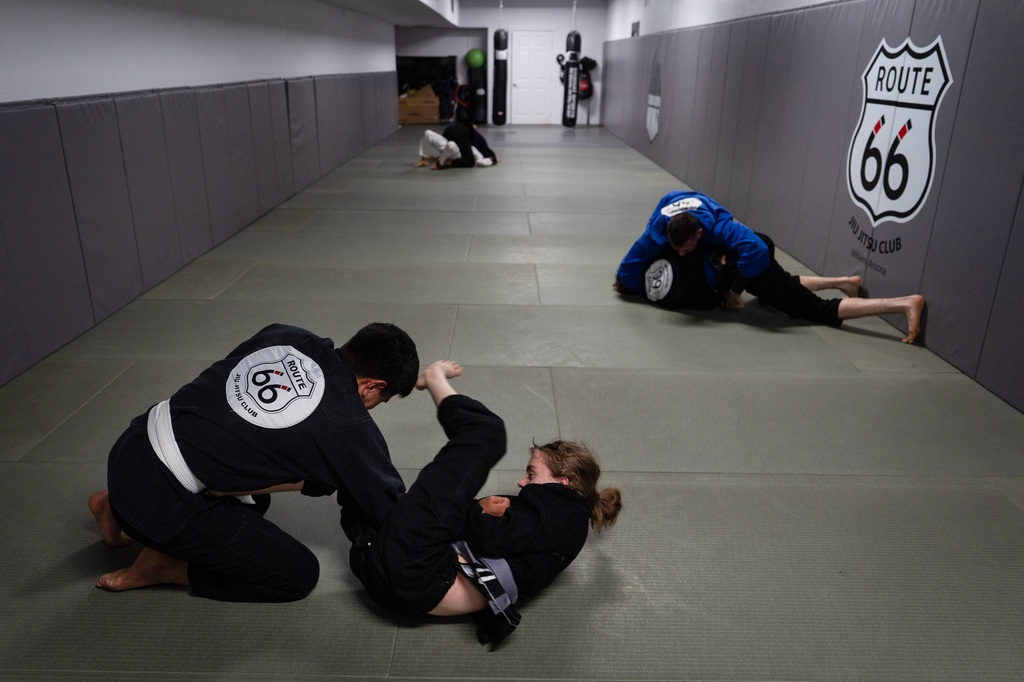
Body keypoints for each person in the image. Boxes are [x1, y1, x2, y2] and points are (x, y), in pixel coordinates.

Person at [87, 322, 419, 602]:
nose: (374, 408)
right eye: (381, 401)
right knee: (299, 574)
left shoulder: (287, 335)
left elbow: (226, 393)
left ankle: (112, 509)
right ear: (372, 386)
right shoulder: (348, 426)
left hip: (132, 446)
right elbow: (386, 506)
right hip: (159, 502)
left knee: (258, 496)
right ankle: (163, 566)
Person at [350, 360, 622, 645]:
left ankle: (436, 381)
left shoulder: (564, 512)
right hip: (398, 577)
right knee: (374, 484)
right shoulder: (558, 518)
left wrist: (475, 510)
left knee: (481, 438)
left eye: (531, 474)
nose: (521, 483)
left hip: (417, 578)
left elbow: (492, 538)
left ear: (563, 481)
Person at [626, 234, 926, 344]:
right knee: (778, 289)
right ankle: (846, 282)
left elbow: (710, 303)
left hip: (745, 265)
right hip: (748, 248)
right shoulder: (658, 253)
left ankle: (902, 304)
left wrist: (729, 294)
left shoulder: (659, 293)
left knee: (812, 308)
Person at [616, 190, 770, 296]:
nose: (681, 254)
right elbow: (626, 273)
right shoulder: (656, 231)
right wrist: (648, 292)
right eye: (677, 249)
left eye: (686, 248)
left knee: (764, 244)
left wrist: (735, 291)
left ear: (699, 234)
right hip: (671, 198)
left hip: (705, 207)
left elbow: (758, 249)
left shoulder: (719, 227)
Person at [414, 122, 499, 170]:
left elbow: (474, 161)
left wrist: (491, 160)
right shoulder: (467, 136)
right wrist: (492, 159)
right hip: (450, 146)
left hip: (454, 152)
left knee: (451, 145)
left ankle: (440, 162)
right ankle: (424, 159)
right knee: (428, 133)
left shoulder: (475, 151)